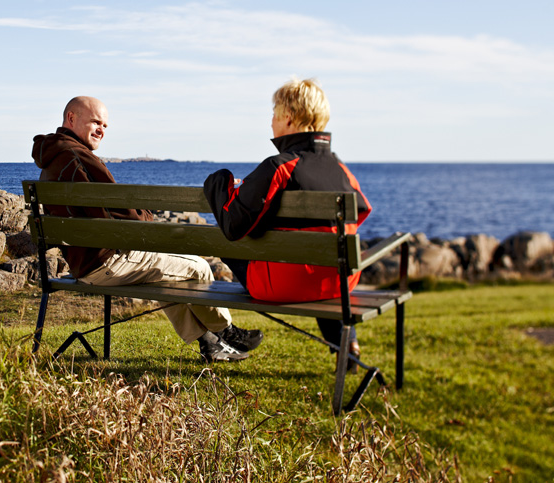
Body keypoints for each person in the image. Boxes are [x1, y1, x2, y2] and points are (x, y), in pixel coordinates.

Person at [32, 95, 263, 363]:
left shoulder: (51, 159)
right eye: (96, 122)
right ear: (71, 118)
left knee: (169, 277)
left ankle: (209, 343)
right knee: (198, 267)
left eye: (105, 126)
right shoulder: (79, 158)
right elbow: (119, 211)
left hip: (83, 266)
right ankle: (228, 332)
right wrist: (146, 216)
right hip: (107, 263)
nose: (101, 130)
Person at [203, 78, 371, 368]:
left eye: (274, 114)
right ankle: (348, 342)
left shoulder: (279, 166)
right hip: (337, 284)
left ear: (289, 119)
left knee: (228, 241)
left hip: (281, 286)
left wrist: (218, 182)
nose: (271, 122)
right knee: (321, 257)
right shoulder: (341, 169)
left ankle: (217, 333)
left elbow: (232, 225)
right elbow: (362, 210)